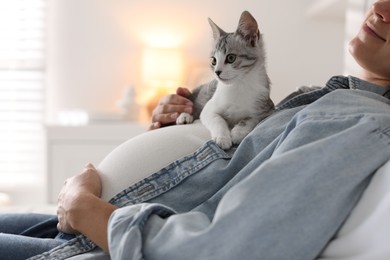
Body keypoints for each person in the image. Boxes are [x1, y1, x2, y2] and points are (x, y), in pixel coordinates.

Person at [1, 1, 390, 259]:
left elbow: (220, 248)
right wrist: (174, 134)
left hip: (98, 240)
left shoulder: (359, 121)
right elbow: (237, 166)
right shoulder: (332, 98)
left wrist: (84, 209)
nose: (380, 6)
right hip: (100, 221)